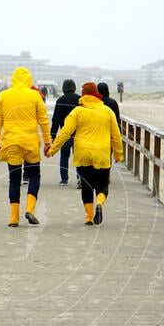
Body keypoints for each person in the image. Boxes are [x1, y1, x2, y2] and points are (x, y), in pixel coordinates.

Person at [47, 82, 123, 225]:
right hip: (102, 154)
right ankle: (99, 203)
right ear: (97, 94)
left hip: (83, 153)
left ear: (83, 95)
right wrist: (118, 154)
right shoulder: (107, 111)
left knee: (87, 186)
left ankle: (89, 217)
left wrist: (52, 149)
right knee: (102, 186)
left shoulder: (77, 111)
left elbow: (65, 133)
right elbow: (116, 136)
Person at [0, 67, 51, 227]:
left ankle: (13, 218)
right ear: (29, 80)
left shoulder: (4, 95)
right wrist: (47, 142)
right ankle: (30, 209)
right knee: (34, 176)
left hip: (11, 142)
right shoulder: (35, 95)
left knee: (14, 179)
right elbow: (43, 120)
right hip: (30, 142)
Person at [50, 79, 81, 187]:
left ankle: (64, 179)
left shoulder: (60, 100)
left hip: (65, 133)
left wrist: (53, 135)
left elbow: (56, 119)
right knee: (78, 156)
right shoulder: (80, 99)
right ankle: (80, 177)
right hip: (78, 133)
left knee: (64, 155)